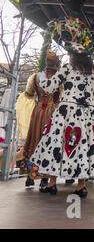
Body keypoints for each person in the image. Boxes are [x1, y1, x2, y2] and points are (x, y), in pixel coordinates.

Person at [30, 43, 94, 198]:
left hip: (66, 111)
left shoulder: (67, 68)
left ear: (73, 56)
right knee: (84, 146)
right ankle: (81, 186)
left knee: (56, 144)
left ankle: (52, 184)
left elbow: (49, 87)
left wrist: (41, 76)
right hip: (88, 113)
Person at [20, 52, 61, 190]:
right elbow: (61, 96)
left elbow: (29, 93)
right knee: (48, 142)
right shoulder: (59, 78)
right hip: (53, 112)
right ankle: (45, 177)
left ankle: (30, 176)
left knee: (34, 141)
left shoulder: (36, 76)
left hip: (38, 111)